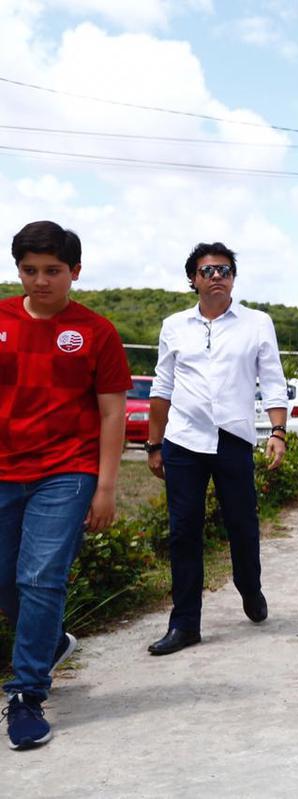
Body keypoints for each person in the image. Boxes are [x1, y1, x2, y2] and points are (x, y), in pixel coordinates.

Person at [1, 221, 131, 750]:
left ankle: (27, 694)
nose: (40, 281)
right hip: (4, 469)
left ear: (74, 272)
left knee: (40, 577)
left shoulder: (97, 332)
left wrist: (105, 486)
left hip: (66, 470)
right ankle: (51, 642)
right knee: (7, 576)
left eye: (53, 271)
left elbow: (113, 412)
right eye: (29, 271)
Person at [144, 242, 288, 656]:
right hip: (184, 441)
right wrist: (154, 443)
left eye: (224, 270)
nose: (217, 277)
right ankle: (185, 623)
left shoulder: (257, 323)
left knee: (242, 523)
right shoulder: (174, 326)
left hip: (233, 439)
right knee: (184, 531)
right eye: (207, 271)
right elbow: (162, 386)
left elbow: (273, 381)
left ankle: (249, 586)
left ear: (233, 278)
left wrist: (277, 432)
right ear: (193, 279)